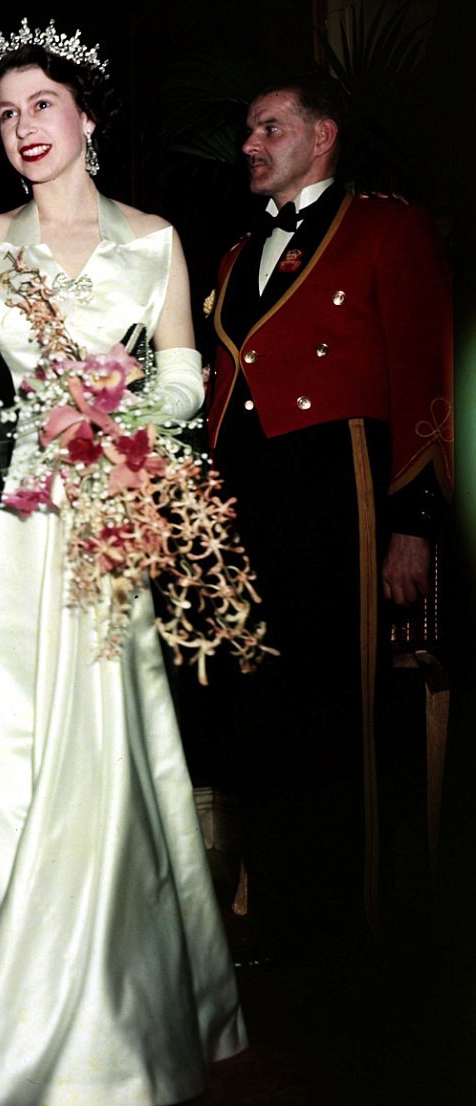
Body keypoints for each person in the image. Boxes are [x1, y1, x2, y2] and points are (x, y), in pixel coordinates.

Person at [0, 20, 247, 1106]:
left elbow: (184, 378)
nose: (22, 128)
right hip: (12, 529)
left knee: (106, 751)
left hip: (108, 518)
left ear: (86, 115)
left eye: (41, 105)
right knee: (9, 751)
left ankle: (117, 1004)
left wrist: (111, 414)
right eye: (6, 113)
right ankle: (7, 1002)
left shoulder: (153, 240)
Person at [206, 76, 453, 958]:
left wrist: (414, 522)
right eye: (247, 130)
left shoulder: (388, 228)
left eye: (269, 127)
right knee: (260, 712)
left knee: (336, 713)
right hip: (246, 508)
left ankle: (352, 927)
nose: (250, 144)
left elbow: (425, 374)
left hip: (339, 497)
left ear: (322, 137)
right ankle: (275, 913)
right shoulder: (237, 255)